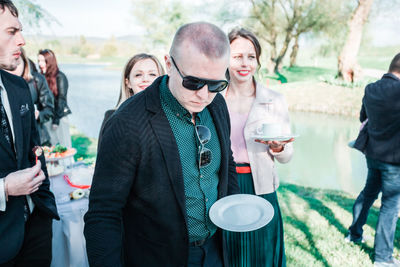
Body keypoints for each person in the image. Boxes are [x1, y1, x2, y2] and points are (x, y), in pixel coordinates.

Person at [84, 22, 240, 267]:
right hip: (156, 257)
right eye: (193, 82)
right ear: (168, 64)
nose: (204, 95)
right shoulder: (127, 123)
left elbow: (227, 164)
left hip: (215, 251)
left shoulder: (217, 105)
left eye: (216, 85)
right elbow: (103, 214)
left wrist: (233, 211)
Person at [222, 28, 294, 267]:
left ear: (258, 60)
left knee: (261, 255)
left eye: (251, 57)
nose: (245, 63)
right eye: (237, 56)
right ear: (225, 59)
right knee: (229, 254)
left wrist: (279, 148)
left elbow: (287, 157)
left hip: (261, 187)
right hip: (224, 187)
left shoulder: (274, 100)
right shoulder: (212, 99)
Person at [0, 1, 59, 266]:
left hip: (36, 227)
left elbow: (34, 150)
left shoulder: (18, 87)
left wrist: (44, 206)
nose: (22, 41)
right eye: (11, 32)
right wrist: (4, 188)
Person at [347, 53, 400, 267]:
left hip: (373, 154)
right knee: (390, 205)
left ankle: (354, 234)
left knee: (368, 193)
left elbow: (363, 117)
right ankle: (383, 258)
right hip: (394, 160)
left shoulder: (371, 88)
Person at [98, 53, 164, 147]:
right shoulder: (113, 117)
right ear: (128, 82)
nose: (145, 79)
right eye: (138, 75)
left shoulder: (171, 117)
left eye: (152, 74)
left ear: (161, 80)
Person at [7, 48, 54, 146]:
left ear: (24, 62)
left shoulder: (37, 80)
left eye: (17, 63)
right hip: (12, 144)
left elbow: (49, 109)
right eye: (9, 65)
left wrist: (38, 115)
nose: (13, 68)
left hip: (38, 139)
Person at [37, 49, 72, 148]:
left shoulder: (60, 77)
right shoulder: (40, 77)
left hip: (59, 116)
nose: (40, 64)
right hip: (47, 117)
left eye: (43, 61)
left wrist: (56, 121)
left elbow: (61, 99)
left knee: (64, 146)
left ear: (50, 62)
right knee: (51, 148)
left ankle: (67, 164)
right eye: (38, 61)